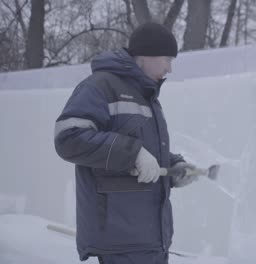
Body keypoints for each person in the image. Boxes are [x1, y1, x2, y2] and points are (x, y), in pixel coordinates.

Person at [54, 22, 201, 264]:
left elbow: (147, 154)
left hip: (153, 241)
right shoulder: (100, 87)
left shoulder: (147, 96)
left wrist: (173, 168)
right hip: (120, 240)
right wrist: (132, 154)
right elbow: (68, 138)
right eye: (167, 59)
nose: (169, 68)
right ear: (146, 55)